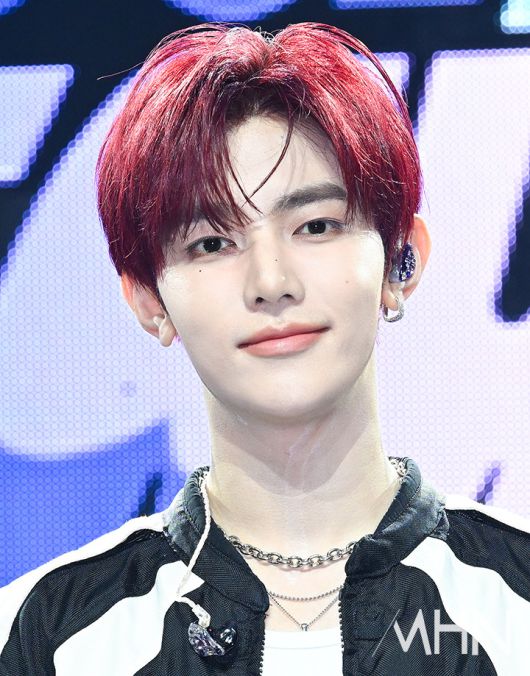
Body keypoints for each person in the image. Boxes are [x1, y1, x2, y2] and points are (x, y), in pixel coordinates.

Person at [1, 21, 529, 676]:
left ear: (402, 260)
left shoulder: (515, 601)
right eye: (211, 243)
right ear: (148, 300)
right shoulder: (46, 635)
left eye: (316, 225)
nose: (271, 282)